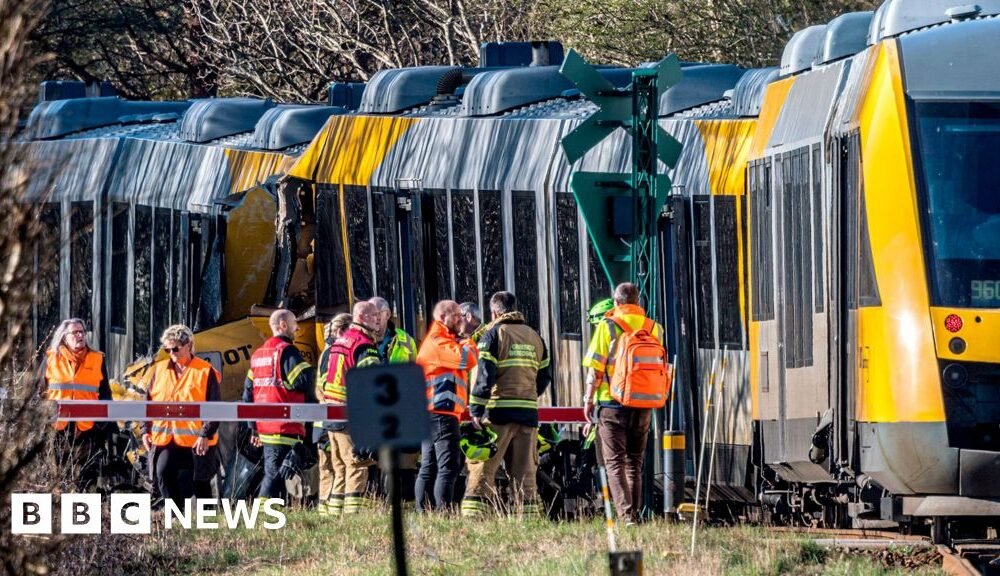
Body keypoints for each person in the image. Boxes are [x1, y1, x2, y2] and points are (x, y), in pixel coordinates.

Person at [581, 283, 665, 525]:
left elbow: (596, 368)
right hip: (643, 404)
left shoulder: (608, 325)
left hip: (612, 403)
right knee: (634, 463)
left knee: (615, 462)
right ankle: (634, 514)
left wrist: (588, 400)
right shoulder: (654, 328)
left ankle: (627, 516)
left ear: (616, 303)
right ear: (638, 303)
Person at [462, 292, 551, 517]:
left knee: (483, 466)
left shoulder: (492, 335)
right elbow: (544, 376)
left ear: (494, 312)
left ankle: (474, 516)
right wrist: (528, 395)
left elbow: (484, 376)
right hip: (528, 414)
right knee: (525, 472)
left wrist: (476, 410)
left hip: (498, 413)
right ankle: (527, 518)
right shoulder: (535, 337)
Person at [142, 325, 221, 506]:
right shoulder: (158, 370)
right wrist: (145, 431)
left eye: (175, 348)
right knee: (162, 474)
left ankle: (208, 527)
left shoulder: (205, 371)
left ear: (189, 345)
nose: (171, 352)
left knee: (200, 484)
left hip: (197, 441)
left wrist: (205, 434)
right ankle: (176, 518)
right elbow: (147, 404)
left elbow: (215, 407)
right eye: (167, 349)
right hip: (165, 439)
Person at [243, 309, 318, 501]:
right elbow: (303, 380)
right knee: (275, 478)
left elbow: (247, 396)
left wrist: (253, 429)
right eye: (294, 323)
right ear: (283, 325)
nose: (297, 328)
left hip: (266, 428)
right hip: (284, 427)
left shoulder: (258, 355)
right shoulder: (286, 351)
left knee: (278, 477)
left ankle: (272, 517)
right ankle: (262, 517)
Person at [415, 300, 477, 513]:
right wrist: (468, 340)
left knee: (429, 466)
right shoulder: (438, 342)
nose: (461, 319)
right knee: (448, 467)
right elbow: (467, 360)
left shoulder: (442, 340)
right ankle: (443, 513)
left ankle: (424, 510)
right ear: (443, 317)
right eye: (457, 315)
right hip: (440, 413)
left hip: (433, 413)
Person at [324, 301, 381, 514]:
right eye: (374, 315)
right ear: (363, 317)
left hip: (331, 413)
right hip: (350, 414)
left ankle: (334, 515)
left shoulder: (341, 341)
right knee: (357, 465)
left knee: (340, 468)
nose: (378, 319)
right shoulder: (364, 344)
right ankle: (353, 516)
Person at [43, 318, 113, 491]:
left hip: (87, 430)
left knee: (87, 479)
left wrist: (100, 426)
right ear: (64, 337)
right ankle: (59, 515)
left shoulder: (97, 359)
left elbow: (105, 395)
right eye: (75, 332)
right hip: (58, 429)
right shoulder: (51, 359)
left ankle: (87, 514)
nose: (80, 335)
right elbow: (39, 393)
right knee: (58, 479)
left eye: (82, 332)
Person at [312, 312, 353, 515]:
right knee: (341, 468)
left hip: (322, 422)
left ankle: (325, 512)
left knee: (327, 470)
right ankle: (335, 511)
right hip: (334, 421)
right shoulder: (338, 352)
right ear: (341, 330)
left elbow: (319, 389)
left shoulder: (325, 352)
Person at [370, 296, 418, 363]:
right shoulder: (361, 341)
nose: (374, 318)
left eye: (377, 313)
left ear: (388, 314)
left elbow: (414, 370)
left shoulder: (406, 340)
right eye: (370, 314)